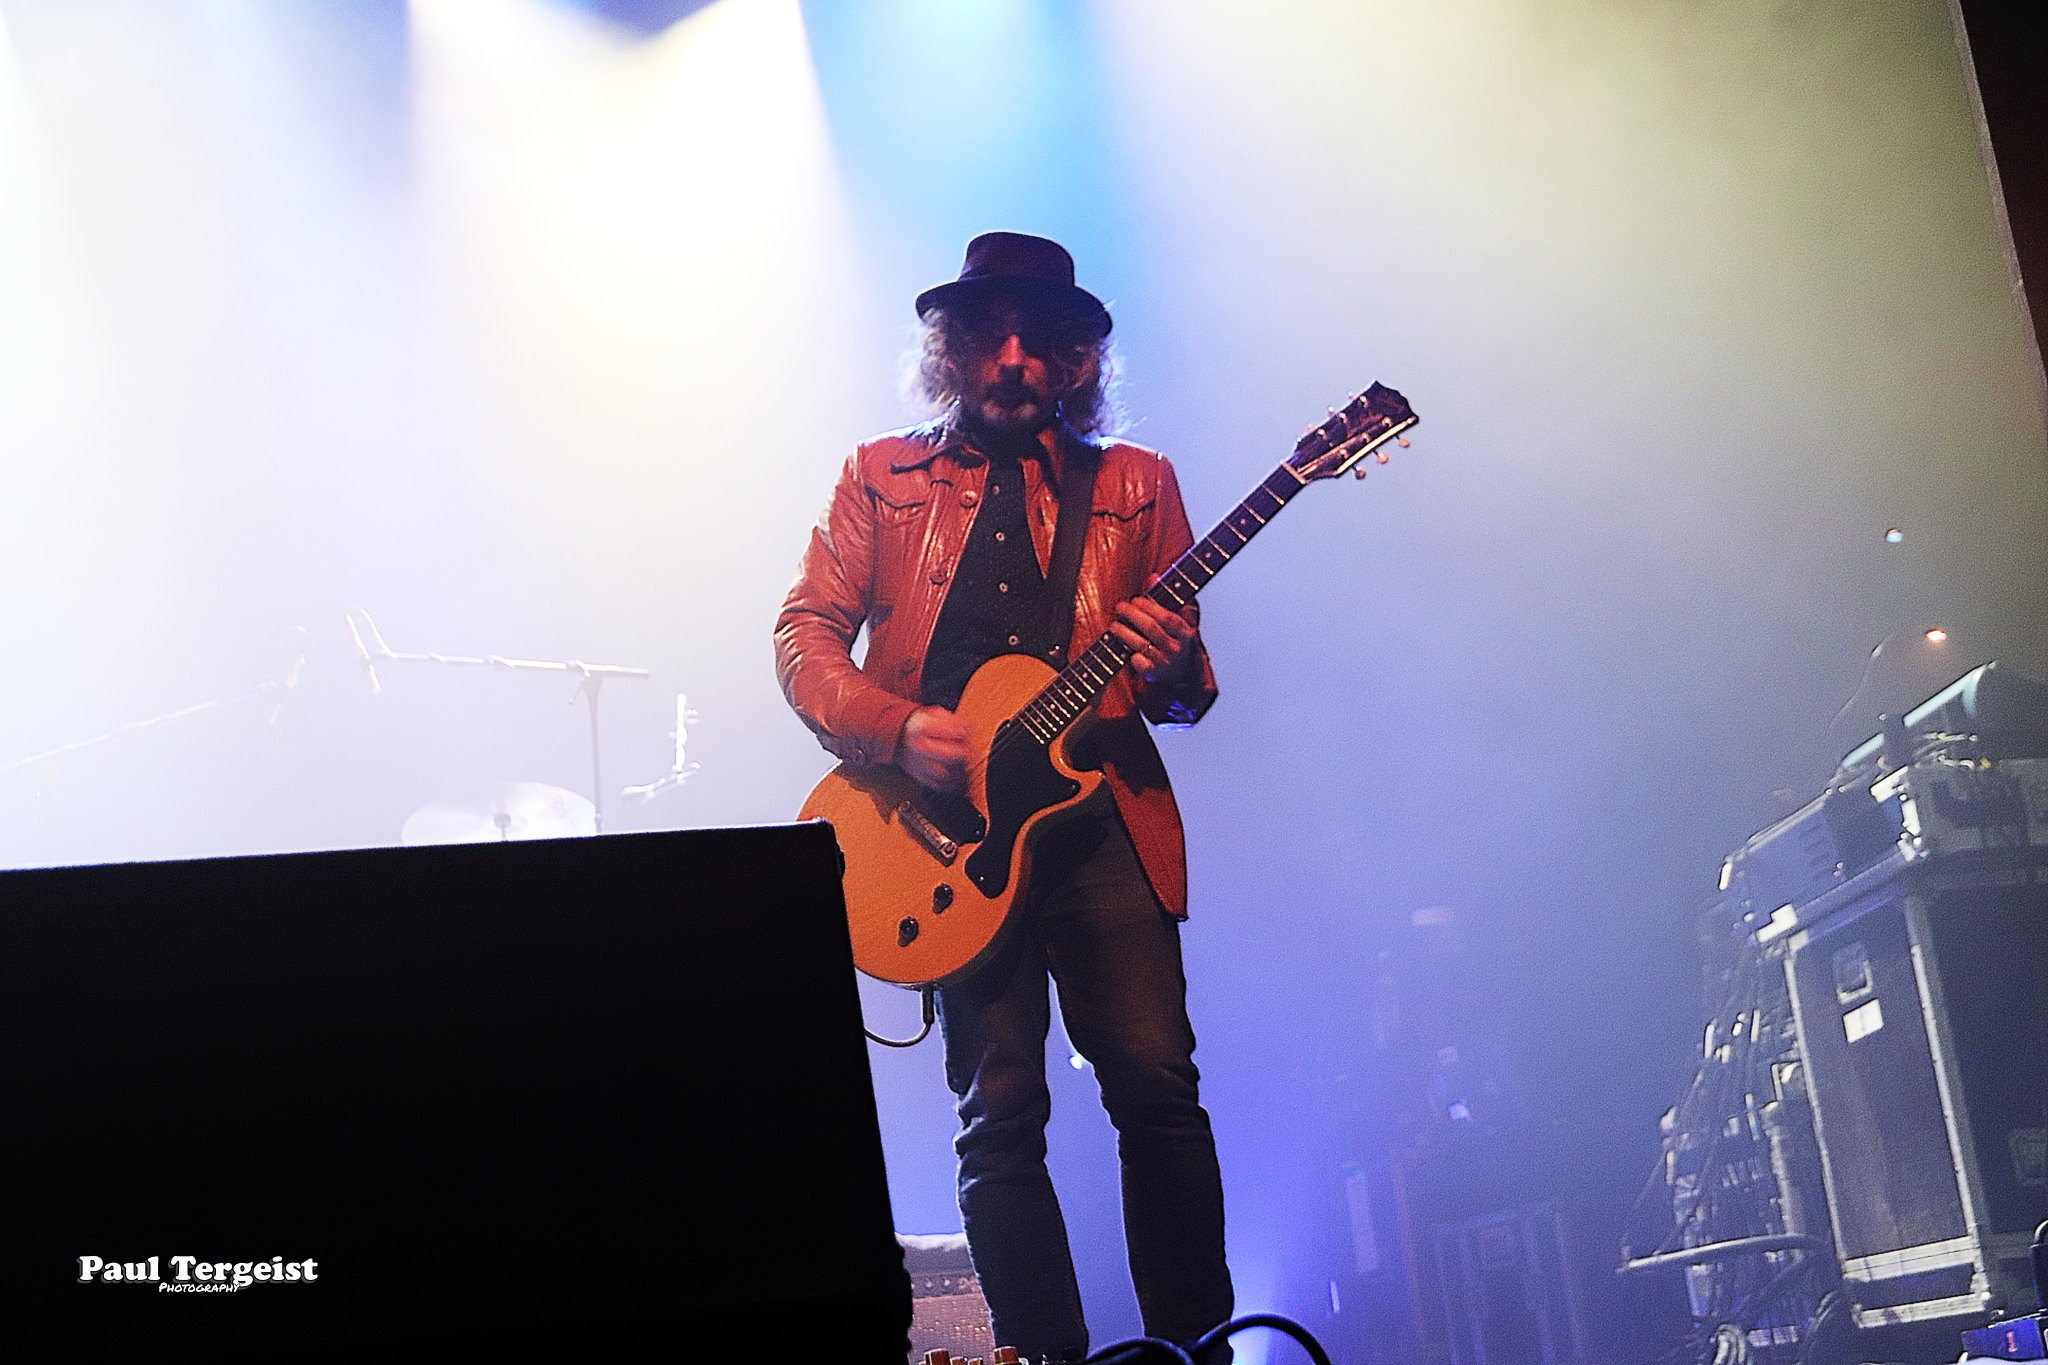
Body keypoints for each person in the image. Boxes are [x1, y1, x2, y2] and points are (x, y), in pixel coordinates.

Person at [774, 232, 1232, 1363]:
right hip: (948, 835)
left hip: (1099, 817)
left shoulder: (1135, 484)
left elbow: (1184, 689)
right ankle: (1045, 1357)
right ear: (953, 351)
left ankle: (1195, 1351)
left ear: (1076, 358)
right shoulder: (882, 477)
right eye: (990, 336)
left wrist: (1174, 661)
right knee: (999, 1115)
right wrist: (893, 727)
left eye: (1041, 339)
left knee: (1158, 1090)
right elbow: (806, 634)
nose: (1014, 359)